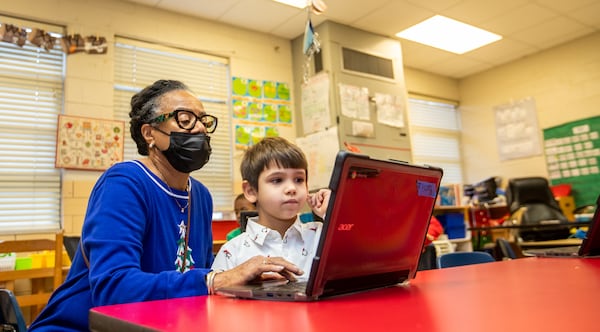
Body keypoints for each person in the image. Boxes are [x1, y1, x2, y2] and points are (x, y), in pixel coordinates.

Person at [29, 80, 302, 331]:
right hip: (84, 326)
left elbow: (200, 276)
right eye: (185, 120)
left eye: (204, 121)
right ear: (150, 133)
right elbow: (114, 288)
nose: (200, 129)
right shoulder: (124, 183)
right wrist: (214, 280)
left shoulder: (202, 196)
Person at [212, 137, 330, 282]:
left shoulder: (323, 234)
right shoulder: (232, 251)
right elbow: (216, 300)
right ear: (251, 191)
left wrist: (332, 214)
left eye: (299, 180)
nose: (292, 188)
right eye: (277, 180)